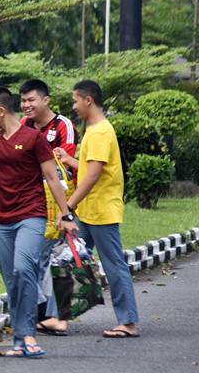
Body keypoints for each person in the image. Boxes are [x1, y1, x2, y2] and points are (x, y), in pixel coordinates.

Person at [0, 86, 78, 357]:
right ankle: (20, 340)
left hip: (31, 215)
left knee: (23, 270)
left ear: (1, 111)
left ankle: (28, 335)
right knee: (12, 280)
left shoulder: (33, 138)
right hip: (2, 219)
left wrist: (66, 215)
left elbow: (53, 178)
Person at [55, 80, 140, 338]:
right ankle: (58, 319)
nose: (74, 106)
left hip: (102, 212)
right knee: (68, 260)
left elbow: (92, 177)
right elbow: (92, 169)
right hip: (90, 211)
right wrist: (70, 160)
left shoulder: (101, 131)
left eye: (75, 101)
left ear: (88, 100)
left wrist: (67, 206)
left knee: (113, 265)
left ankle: (128, 322)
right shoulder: (93, 130)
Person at [19, 79, 78, 335]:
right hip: (31, 199)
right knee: (38, 256)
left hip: (58, 200)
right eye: (23, 101)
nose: (26, 105)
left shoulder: (62, 126)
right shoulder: (24, 125)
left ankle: (54, 315)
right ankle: (45, 312)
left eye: (31, 100)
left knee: (53, 256)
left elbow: (61, 166)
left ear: (46, 100)